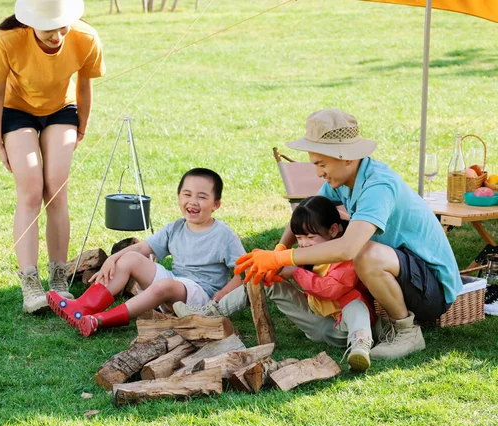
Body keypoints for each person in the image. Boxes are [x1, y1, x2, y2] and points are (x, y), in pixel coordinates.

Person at [235, 108, 463, 360]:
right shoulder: (346, 180)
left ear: (346, 158)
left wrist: (281, 259)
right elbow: (306, 210)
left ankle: (407, 332)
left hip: (433, 293)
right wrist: (279, 248)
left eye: (321, 164)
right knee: (359, 248)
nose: (318, 173)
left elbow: (347, 248)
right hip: (408, 276)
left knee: (364, 253)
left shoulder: (377, 186)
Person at [0, 0, 105, 313]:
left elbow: (84, 85)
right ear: (30, 22)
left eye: (61, 25)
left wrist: (82, 127)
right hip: (16, 111)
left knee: (56, 190)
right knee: (31, 191)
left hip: (61, 111)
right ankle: (30, 284)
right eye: (49, 28)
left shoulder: (86, 37)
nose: (57, 35)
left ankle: (59, 278)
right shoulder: (7, 40)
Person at [175, 195, 378, 371]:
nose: (304, 243)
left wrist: (296, 272)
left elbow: (331, 289)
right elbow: (286, 268)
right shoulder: (305, 254)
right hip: (316, 323)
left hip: (343, 329)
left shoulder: (347, 253)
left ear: (333, 230)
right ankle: (210, 313)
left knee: (355, 304)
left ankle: (359, 346)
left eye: (310, 236)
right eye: (299, 237)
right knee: (264, 280)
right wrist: (270, 267)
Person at [46, 168, 246, 337]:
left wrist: (222, 295)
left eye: (202, 197)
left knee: (164, 286)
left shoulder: (223, 235)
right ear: (179, 197)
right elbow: (143, 248)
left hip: (202, 298)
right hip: (177, 283)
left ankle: (100, 320)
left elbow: (244, 271)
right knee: (131, 257)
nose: (193, 202)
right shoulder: (176, 227)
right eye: (187, 194)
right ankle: (81, 307)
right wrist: (114, 258)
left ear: (216, 204)